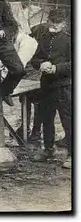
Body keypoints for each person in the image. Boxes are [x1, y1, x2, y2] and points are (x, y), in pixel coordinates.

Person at [30, 9, 71, 169]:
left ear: (64, 23)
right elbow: (34, 59)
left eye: (57, 22)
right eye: (51, 21)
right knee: (46, 118)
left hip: (64, 86)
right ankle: (48, 149)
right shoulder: (43, 38)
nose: (54, 25)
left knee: (67, 120)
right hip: (46, 85)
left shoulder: (69, 41)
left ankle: (72, 155)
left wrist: (57, 68)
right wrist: (40, 64)